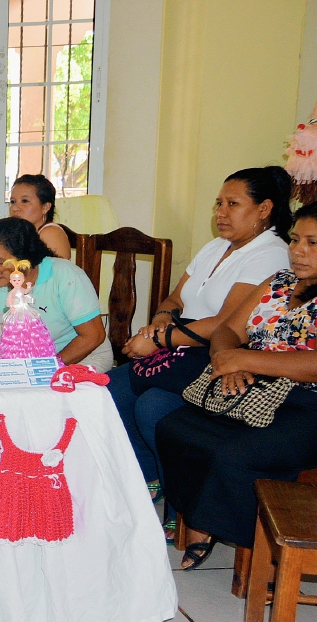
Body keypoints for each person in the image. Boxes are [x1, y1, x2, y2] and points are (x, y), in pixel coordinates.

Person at [107, 166, 293, 533]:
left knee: (152, 406)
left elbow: (226, 323)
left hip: (216, 357)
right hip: (179, 349)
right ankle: (148, 479)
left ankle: (184, 504)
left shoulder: (270, 254)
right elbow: (177, 297)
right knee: (109, 388)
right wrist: (160, 319)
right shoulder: (216, 247)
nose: (220, 213)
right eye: (218, 203)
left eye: (232, 204)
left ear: (264, 208)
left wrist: (158, 339)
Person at [158, 202, 317, 569]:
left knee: (234, 453)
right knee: (175, 427)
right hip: (252, 389)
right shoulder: (279, 282)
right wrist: (228, 361)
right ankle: (201, 517)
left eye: (312, 242)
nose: (297, 250)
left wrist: (245, 360)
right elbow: (229, 329)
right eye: (295, 240)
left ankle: (228, 534)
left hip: (305, 406)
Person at [0, 217, 111, 370]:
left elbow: (93, 336)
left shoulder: (65, 276)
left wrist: (48, 367)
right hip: (19, 363)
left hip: (79, 358)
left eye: (1, 261)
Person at [8, 174, 72, 259]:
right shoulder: (20, 234)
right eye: (13, 202)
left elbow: (53, 271)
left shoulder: (51, 233)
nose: (15, 208)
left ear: (45, 207)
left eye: (25, 201)